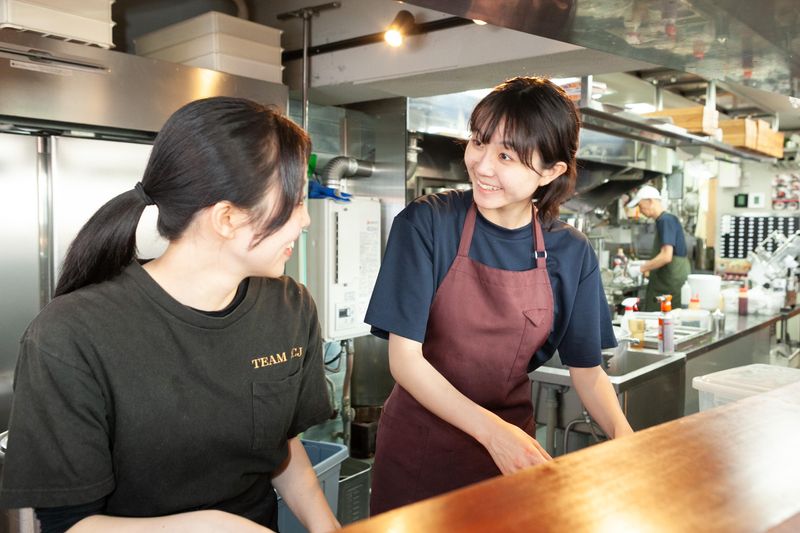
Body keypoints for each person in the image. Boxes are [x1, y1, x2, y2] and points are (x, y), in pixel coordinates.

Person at [0, 97, 339, 533]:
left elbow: (282, 447)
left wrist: (330, 529)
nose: (306, 220)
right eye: (295, 202)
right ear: (227, 218)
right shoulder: (70, 336)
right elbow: (70, 523)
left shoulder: (289, 307)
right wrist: (213, 527)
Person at [364, 76, 634, 514]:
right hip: (420, 452)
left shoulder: (571, 252)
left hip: (512, 457)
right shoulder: (427, 224)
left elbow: (588, 372)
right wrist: (494, 434)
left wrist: (626, 441)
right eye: (478, 142)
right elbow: (405, 361)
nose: (482, 165)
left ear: (551, 171)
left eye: (506, 155)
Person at [627, 184, 690, 311]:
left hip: (669, 282)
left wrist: (640, 269)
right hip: (667, 280)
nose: (641, 210)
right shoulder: (664, 220)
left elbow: (666, 256)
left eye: (641, 206)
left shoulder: (665, 220)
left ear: (650, 201)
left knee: (665, 317)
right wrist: (645, 263)